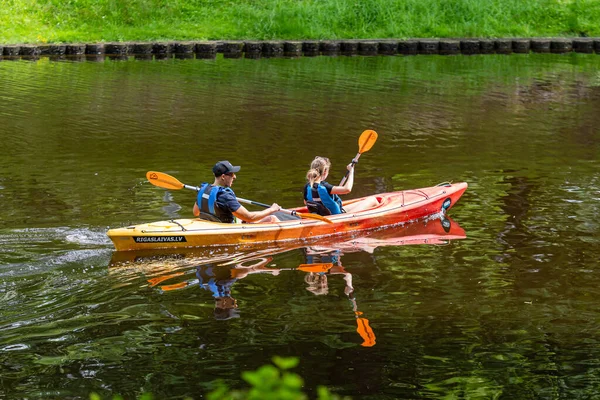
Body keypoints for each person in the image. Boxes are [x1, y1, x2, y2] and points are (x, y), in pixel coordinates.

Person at [193, 160, 281, 223]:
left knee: (240, 218)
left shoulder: (203, 190)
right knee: (272, 218)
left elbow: (196, 212)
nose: (234, 177)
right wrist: (272, 209)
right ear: (223, 177)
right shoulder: (225, 196)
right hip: (228, 229)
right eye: (231, 174)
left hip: (213, 224)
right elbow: (250, 217)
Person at [303, 156, 379, 216]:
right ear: (325, 171)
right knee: (373, 200)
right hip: (338, 217)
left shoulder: (307, 186)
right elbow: (347, 189)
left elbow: (306, 202)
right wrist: (351, 171)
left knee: (361, 202)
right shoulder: (325, 186)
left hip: (325, 215)